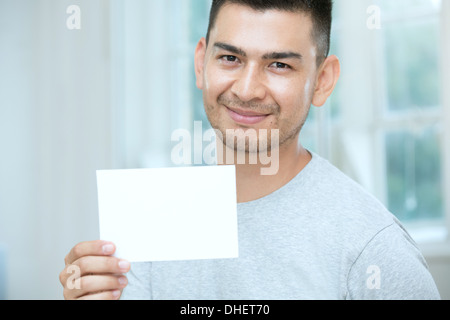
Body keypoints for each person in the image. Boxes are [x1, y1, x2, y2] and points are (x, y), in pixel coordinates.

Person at [59, 0, 441, 300]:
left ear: (322, 81)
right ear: (200, 62)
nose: (246, 89)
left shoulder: (373, 248)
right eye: (230, 58)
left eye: (278, 65)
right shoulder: (150, 225)